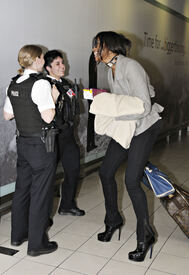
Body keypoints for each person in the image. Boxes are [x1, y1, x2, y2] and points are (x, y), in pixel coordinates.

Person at [91, 31, 163, 262]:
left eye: (97, 45)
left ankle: (145, 235)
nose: (94, 50)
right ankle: (113, 220)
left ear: (109, 46)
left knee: (131, 181)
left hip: (143, 127)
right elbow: (120, 101)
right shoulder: (109, 68)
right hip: (127, 126)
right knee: (106, 172)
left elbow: (143, 106)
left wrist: (110, 110)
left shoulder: (131, 66)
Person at [3, 45, 59, 256]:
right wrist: (53, 98)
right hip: (41, 146)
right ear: (35, 60)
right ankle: (37, 244)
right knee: (40, 194)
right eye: (42, 58)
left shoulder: (14, 83)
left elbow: (7, 116)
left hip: (23, 144)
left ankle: (18, 235)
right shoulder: (41, 83)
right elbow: (48, 117)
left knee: (22, 190)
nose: (44, 62)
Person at [44, 50, 85, 216]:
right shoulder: (43, 85)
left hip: (68, 135)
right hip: (52, 136)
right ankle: (42, 213)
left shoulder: (67, 84)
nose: (63, 66)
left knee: (73, 168)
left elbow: (74, 105)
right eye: (57, 64)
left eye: (63, 62)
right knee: (47, 176)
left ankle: (67, 205)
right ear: (48, 68)